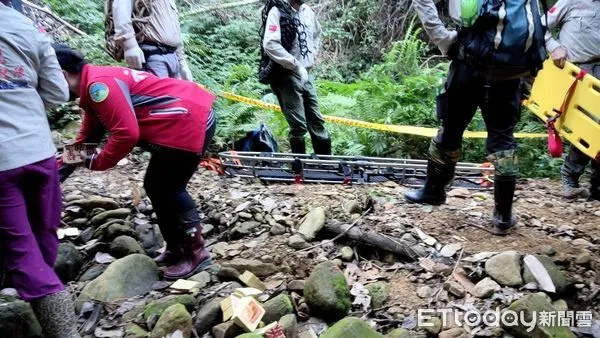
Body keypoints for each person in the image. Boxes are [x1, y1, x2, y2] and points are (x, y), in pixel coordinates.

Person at [53, 43, 216, 280]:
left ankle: (196, 253)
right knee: (155, 186)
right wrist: (55, 174)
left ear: (63, 74)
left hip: (188, 120)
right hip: (181, 120)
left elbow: (126, 134)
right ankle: (176, 247)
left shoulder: (100, 85)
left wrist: (98, 163)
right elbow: (87, 140)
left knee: (170, 188)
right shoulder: (93, 87)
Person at [405, 0, 547, 235]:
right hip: (508, 76)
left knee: (450, 130)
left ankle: (433, 191)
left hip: (467, 66)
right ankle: (503, 215)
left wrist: (443, 38)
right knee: (503, 140)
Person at [0, 3, 80, 338]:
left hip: (2, 163)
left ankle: (63, 331)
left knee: (22, 250)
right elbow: (58, 92)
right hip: (38, 150)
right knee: (44, 236)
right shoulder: (23, 24)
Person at [259, 0, 332, 155]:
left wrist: (312, 55)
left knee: (317, 120)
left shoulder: (308, 12)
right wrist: (295, 64)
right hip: (285, 74)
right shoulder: (277, 12)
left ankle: (326, 165)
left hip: (306, 74)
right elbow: (270, 44)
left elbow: (317, 34)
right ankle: (299, 168)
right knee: (298, 125)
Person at [545, 0, 600, 200]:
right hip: (578, 72)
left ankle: (597, 186)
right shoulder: (571, 1)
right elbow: (539, 25)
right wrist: (554, 47)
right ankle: (570, 176)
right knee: (588, 128)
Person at [107, 0, 193, 80]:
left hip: (173, 57)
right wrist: (129, 45)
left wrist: (182, 63)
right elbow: (121, 7)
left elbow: (174, 31)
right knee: (159, 94)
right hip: (152, 55)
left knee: (175, 95)